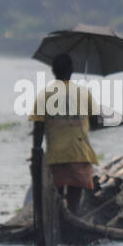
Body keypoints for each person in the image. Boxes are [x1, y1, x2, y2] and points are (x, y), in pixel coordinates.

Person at [30, 53, 99, 213]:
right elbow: (95, 122)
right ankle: (72, 217)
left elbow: (38, 129)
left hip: (56, 156)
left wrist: (36, 153)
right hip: (79, 153)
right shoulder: (83, 93)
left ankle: (59, 217)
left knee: (56, 196)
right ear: (72, 70)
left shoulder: (44, 95)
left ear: (53, 70)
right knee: (75, 199)